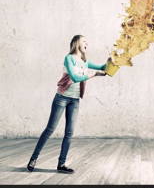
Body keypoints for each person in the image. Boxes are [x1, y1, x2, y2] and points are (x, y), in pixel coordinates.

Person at [27, 35, 108, 174]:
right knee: (50, 130)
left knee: (69, 133)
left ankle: (61, 164)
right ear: (77, 43)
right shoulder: (69, 58)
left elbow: (103, 67)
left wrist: (111, 61)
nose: (87, 43)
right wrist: (94, 74)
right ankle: (33, 159)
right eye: (84, 41)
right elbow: (75, 78)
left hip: (74, 100)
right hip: (62, 98)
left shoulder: (84, 62)